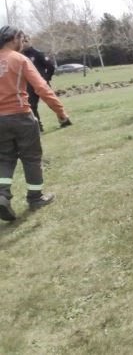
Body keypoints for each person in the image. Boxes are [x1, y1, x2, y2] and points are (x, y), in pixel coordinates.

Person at [0, 25, 72, 222]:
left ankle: (2, 195)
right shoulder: (20, 59)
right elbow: (42, 88)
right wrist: (61, 113)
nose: (23, 42)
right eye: (21, 38)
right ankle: (36, 197)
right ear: (13, 38)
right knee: (31, 157)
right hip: (21, 116)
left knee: (4, 158)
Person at [21, 36, 56, 132]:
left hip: (42, 83)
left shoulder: (37, 53)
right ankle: (38, 126)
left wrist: (47, 77)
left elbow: (50, 66)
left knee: (52, 103)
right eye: (22, 41)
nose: (24, 43)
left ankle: (63, 119)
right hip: (30, 86)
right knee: (32, 106)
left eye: (26, 41)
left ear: (30, 41)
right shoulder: (20, 56)